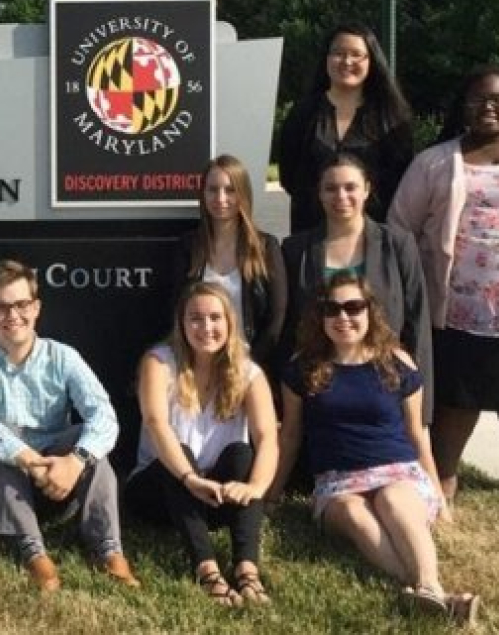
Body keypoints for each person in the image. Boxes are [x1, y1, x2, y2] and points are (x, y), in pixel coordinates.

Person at [269, 273, 478, 626]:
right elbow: (290, 436)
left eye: (354, 307)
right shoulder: (302, 368)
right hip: (337, 483)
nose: (343, 318)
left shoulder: (395, 362)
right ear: (320, 317)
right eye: (332, 309)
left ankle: (428, 586)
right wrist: (271, 494)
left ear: (370, 312)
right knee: (352, 512)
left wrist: (439, 492)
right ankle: (441, 599)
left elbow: (417, 433)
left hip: (398, 471)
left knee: (394, 499)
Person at [0, 259, 138, 592]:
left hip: (54, 480)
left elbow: (104, 415)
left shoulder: (63, 356)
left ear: (36, 308)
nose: (12, 316)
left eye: (21, 305)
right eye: (1, 307)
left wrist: (75, 460)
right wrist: (26, 458)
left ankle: (108, 550)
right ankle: (32, 553)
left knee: (89, 441)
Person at [389, 65, 499, 504]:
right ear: (463, 108)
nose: (490, 107)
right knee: (457, 401)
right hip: (457, 309)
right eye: (479, 99)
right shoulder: (437, 161)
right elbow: (400, 226)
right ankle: (443, 480)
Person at [125, 282, 278, 607]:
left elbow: (268, 438)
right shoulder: (160, 362)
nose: (206, 327)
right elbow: (155, 423)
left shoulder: (249, 373)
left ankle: (247, 569)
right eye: (195, 318)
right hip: (161, 493)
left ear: (229, 323)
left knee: (242, 453)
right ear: (182, 324)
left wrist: (255, 487)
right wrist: (190, 479)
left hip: (217, 498)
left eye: (214, 318)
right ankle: (207, 570)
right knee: (177, 453)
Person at [280, 151, 433, 422]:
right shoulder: (296, 250)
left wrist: (422, 412)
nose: (341, 197)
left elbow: (417, 324)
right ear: (319, 193)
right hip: (318, 389)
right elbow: (288, 326)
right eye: (331, 188)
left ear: (367, 190)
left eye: (350, 187)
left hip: (383, 388)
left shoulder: (397, 244)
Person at [278, 23, 413, 232]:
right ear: (326, 59)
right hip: (311, 235)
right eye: (338, 53)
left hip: (374, 236)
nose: (347, 61)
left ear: (372, 61)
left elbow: (401, 180)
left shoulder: (390, 117)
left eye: (356, 54)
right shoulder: (304, 113)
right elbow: (289, 176)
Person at [175, 154, 286, 382]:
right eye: (212, 190)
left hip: (250, 368)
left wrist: (247, 367)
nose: (221, 198)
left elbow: (277, 319)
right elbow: (174, 311)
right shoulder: (188, 247)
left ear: (243, 194)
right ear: (203, 194)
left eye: (230, 190)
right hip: (196, 368)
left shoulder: (266, 247)